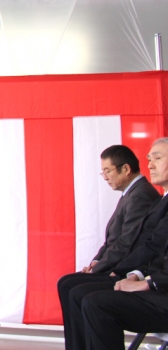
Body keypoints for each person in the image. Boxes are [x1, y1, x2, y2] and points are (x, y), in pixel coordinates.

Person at [59, 139, 168, 350]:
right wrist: (135, 273)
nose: (150, 165)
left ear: (125, 169)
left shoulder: (142, 195)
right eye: (149, 159)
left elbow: (133, 243)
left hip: (160, 290)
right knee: (75, 289)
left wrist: (144, 280)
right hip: (150, 278)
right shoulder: (160, 200)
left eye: (157, 158)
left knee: (92, 301)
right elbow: (151, 246)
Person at [85, 146, 160, 274]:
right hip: (112, 265)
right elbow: (111, 240)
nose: (105, 177)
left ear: (126, 169)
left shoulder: (140, 195)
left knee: (69, 283)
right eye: (103, 172)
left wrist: (96, 270)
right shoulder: (131, 192)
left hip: (124, 269)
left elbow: (127, 242)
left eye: (108, 171)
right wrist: (96, 262)